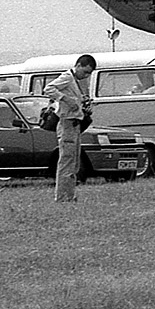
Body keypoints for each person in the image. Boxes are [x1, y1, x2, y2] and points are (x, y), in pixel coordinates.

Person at [46, 54, 96, 203]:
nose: (86, 75)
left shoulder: (78, 82)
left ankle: (70, 194)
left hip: (76, 123)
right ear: (78, 65)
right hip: (66, 123)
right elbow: (49, 88)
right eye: (85, 72)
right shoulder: (67, 77)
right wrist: (65, 99)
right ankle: (62, 197)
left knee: (74, 163)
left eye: (89, 73)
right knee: (66, 162)